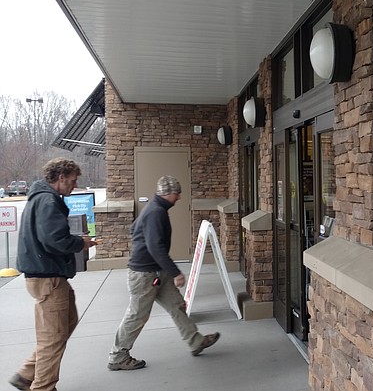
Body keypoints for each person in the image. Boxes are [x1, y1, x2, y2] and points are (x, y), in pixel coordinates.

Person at [107, 175, 219, 371]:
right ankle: (118, 356)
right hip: (144, 275)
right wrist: (175, 272)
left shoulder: (153, 209)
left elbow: (134, 229)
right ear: (168, 194)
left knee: (176, 305)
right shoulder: (156, 212)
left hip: (155, 272)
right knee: (137, 315)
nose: (179, 197)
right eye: (177, 194)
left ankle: (195, 341)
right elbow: (155, 247)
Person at [9, 158, 96, 391]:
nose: (74, 185)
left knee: (66, 323)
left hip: (47, 276)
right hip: (49, 278)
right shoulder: (47, 201)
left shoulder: (41, 199)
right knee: (53, 338)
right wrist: (80, 243)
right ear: (61, 177)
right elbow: (55, 240)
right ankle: (42, 386)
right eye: (73, 180)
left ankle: (26, 375)